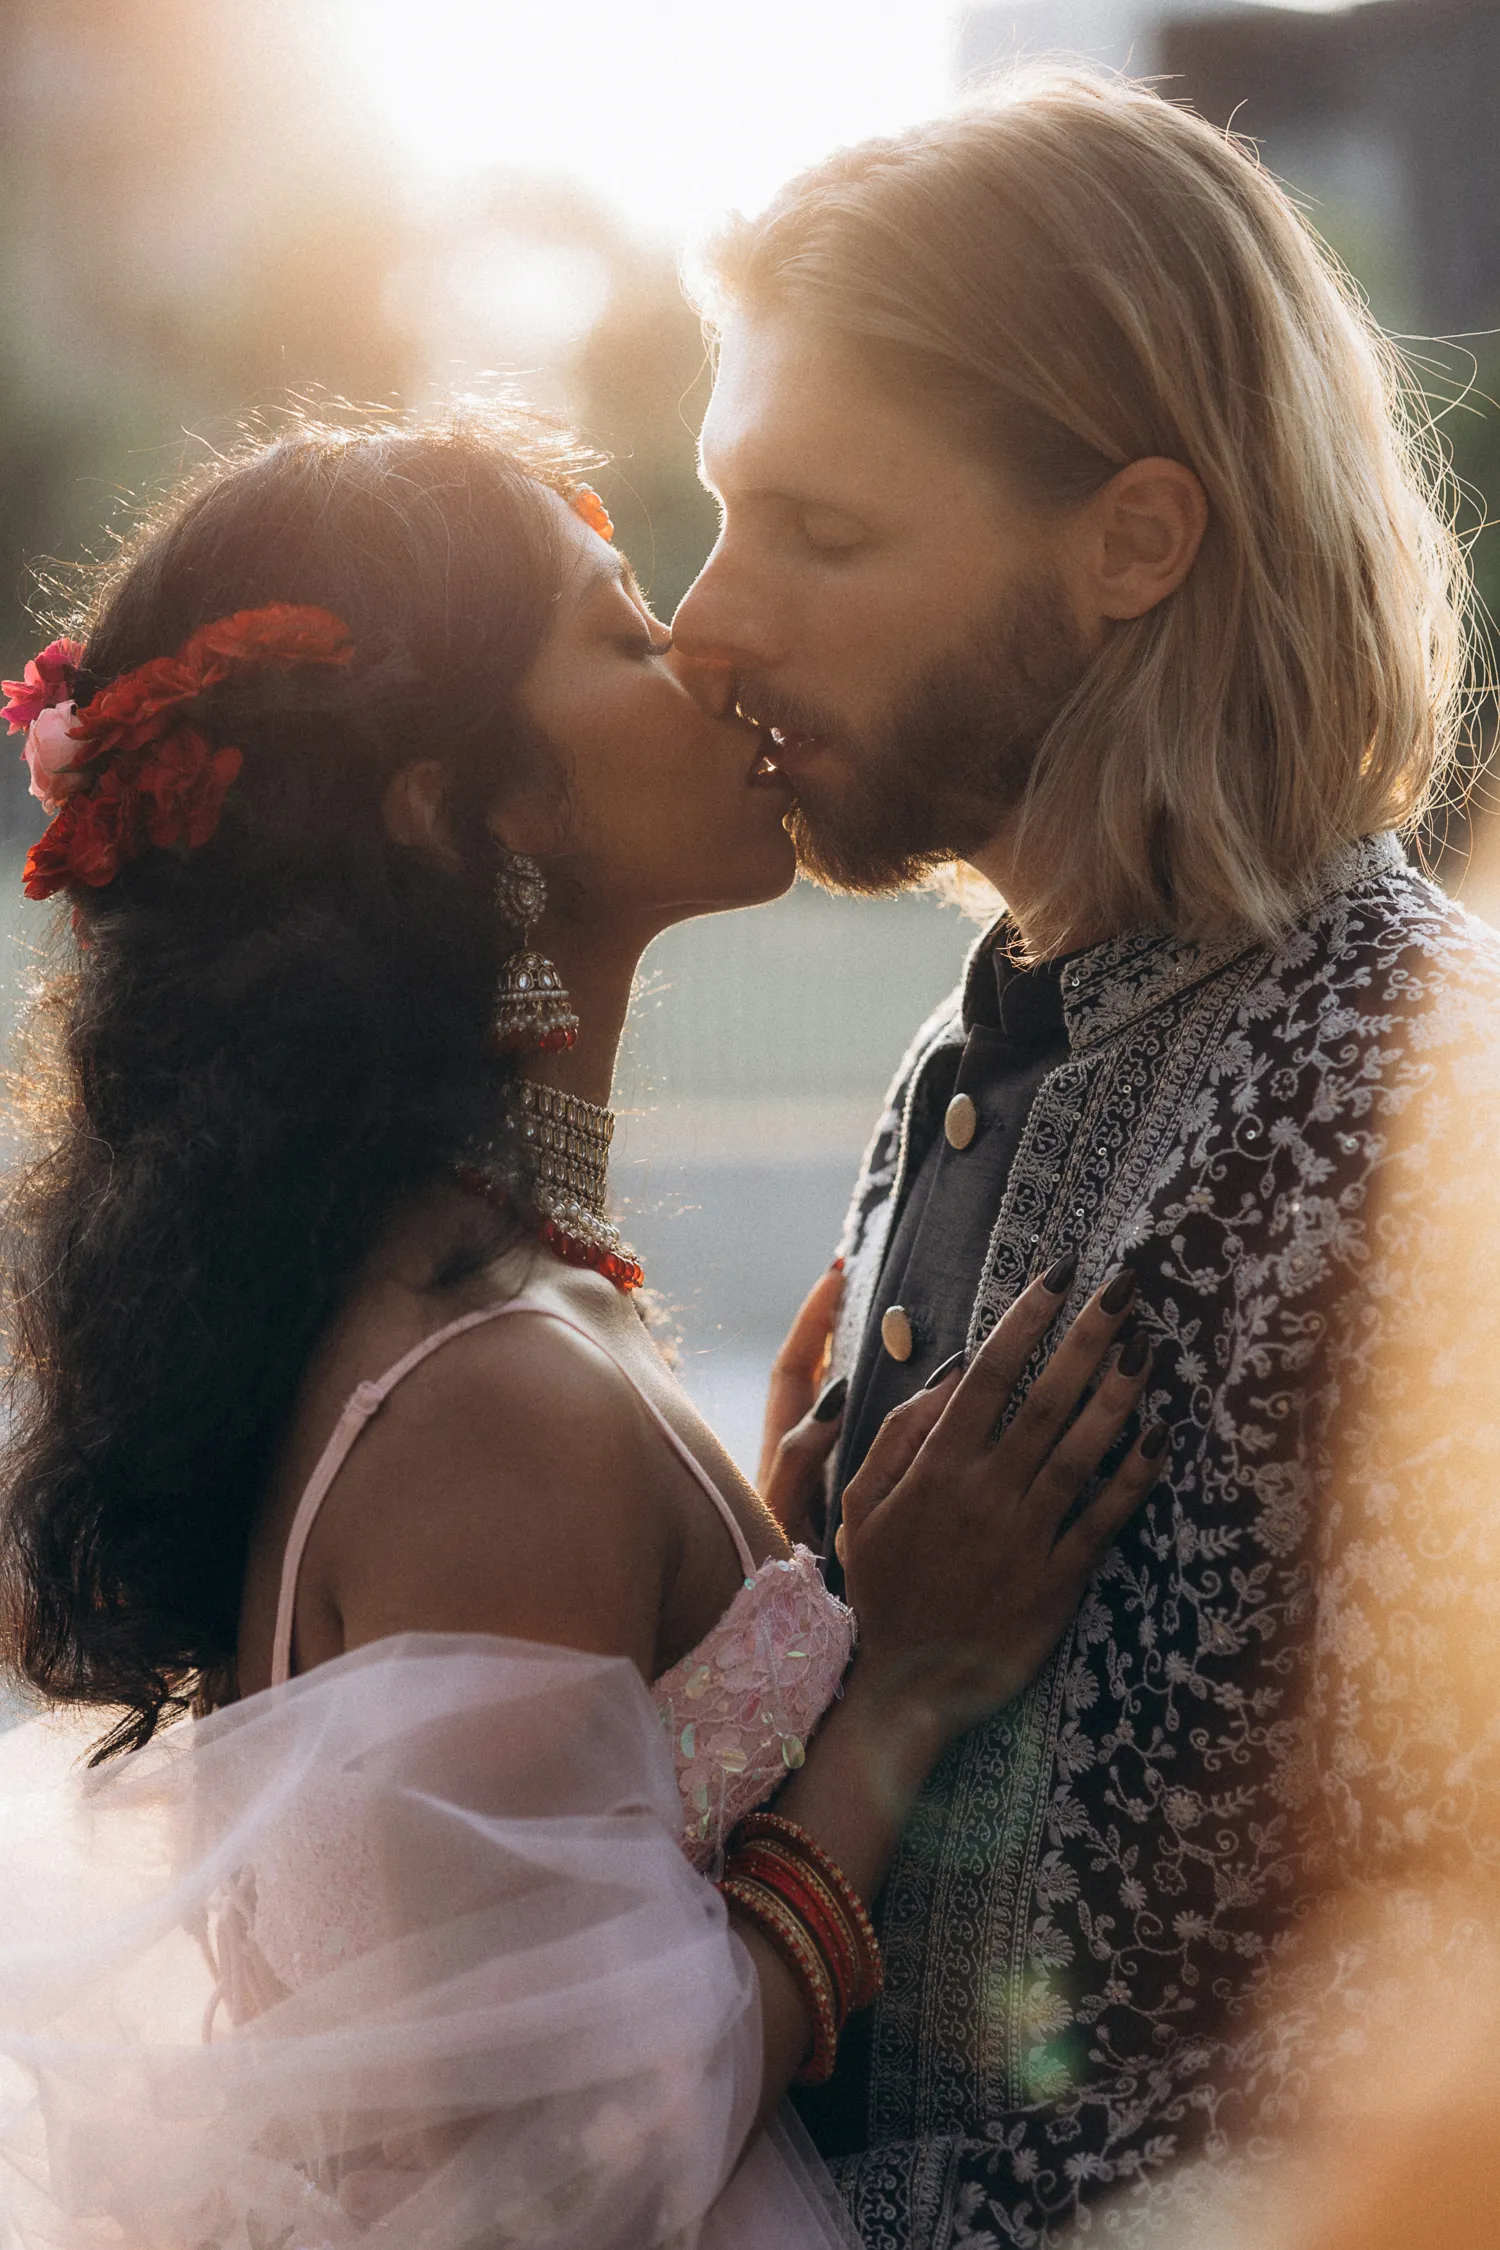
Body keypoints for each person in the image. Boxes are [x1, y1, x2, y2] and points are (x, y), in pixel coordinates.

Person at [0, 413, 1167, 2250]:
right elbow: (566, 2167)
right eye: (625, 635)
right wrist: (904, 1691)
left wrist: (779, 1563)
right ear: (461, 807)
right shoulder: (486, 1394)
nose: (708, 652)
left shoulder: (479, 1306)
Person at [671, 68, 1500, 2250]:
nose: (707, 623)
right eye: (720, 509)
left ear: (1135, 539)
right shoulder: (982, 1051)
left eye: (822, 530)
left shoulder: (1434, 1094)